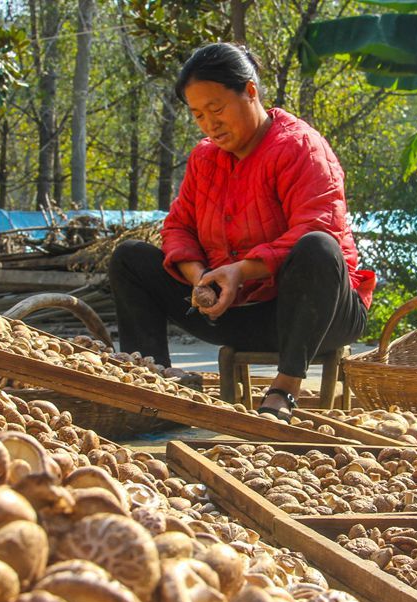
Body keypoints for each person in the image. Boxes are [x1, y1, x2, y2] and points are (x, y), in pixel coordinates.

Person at [109, 42, 375, 422]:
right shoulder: (204, 158)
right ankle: (154, 384)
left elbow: (318, 226)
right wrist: (202, 278)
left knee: (317, 246)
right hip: (236, 311)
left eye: (217, 109)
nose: (209, 124)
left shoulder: (301, 147)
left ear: (250, 91)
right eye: (198, 115)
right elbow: (178, 228)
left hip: (318, 312)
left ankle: (284, 390)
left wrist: (239, 272)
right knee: (130, 258)